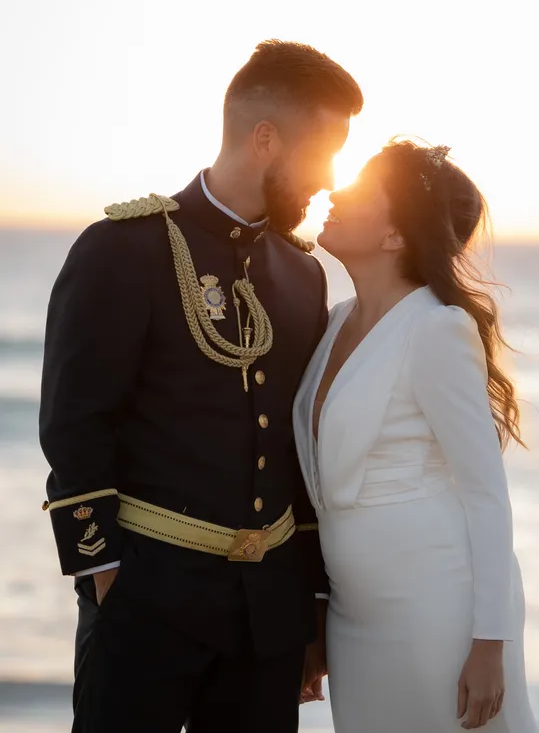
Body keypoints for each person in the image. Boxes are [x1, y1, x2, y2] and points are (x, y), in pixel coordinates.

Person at [39, 39, 363, 733]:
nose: (331, 179)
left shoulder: (301, 274)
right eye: (323, 152)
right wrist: (105, 580)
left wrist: (308, 604)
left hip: (265, 615)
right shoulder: (123, 249)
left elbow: (296, 449)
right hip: (145, 599)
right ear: (266, 139)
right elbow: (74, 424)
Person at [293, 140, 539, 732]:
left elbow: (485, 492)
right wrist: (317, 616)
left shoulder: (436, 326)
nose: (334, 193)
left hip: (438, 604)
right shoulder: (333, 322)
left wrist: (490, 644)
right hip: (356, 614)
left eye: (358, 191)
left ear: (395, 237)